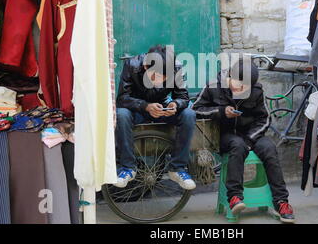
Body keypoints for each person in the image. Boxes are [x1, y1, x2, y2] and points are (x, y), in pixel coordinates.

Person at [192, 58, 295, 223]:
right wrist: (220, 111)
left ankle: (282, 202)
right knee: (237, 145)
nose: (240, 89)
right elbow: (195, 110)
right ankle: (234, 198)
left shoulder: (256, 90)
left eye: (245, 87)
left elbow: (264, 120)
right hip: (224, 136)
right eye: (238, 84)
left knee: (269, 148)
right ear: (230, 75)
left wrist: (250, 139)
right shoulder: (213, 86)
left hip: (251, 135)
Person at [115, 45, 197, 190]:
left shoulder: (175, 67)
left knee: (189, 114)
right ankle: (128, 168)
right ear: (146, 66)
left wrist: (175, 104)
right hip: (137, 110)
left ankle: (177, 168)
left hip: (162, 108)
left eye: (164, 78)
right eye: (155, 76)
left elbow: (183, 97)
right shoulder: (132, 65)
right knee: (121, 114)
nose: (159, 81)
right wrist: (145, 106)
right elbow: (122, 99)